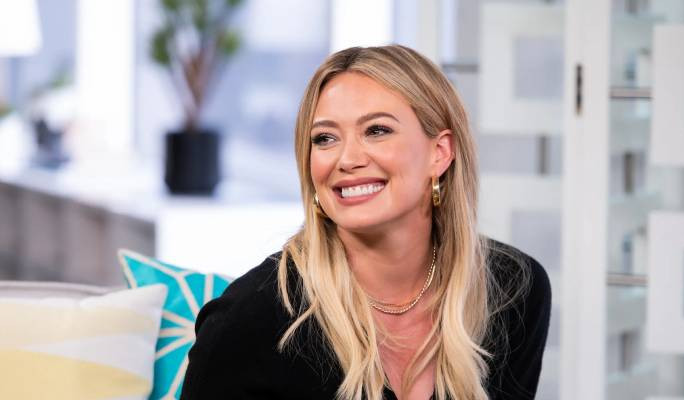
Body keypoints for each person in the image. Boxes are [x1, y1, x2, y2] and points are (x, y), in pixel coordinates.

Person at [181, 45, 551, 400]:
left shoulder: (513, 289)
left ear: (439, 153)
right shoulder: (249, 320)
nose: (347, 159)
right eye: (325, 138)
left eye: (376, 130)